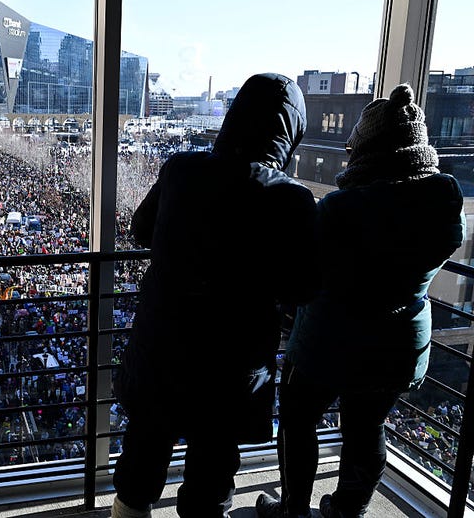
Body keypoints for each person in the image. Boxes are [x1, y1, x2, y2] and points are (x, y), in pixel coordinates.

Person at [111, 72, 320, 518]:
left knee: (141, 463)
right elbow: (303, 287)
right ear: (291, 131)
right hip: (230, 368)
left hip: (160, 348)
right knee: (211, 479)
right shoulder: (292, 200)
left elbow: (141, 228)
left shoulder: (182, 170)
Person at [255, 83, 466, 518]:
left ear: (371, 149)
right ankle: (350, 508)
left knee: (298, 422)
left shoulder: (341, 209)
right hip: (401, 344)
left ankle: (294, 509)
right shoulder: (445, 204)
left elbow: (306, 273)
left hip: (329, 341)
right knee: (368, 426)